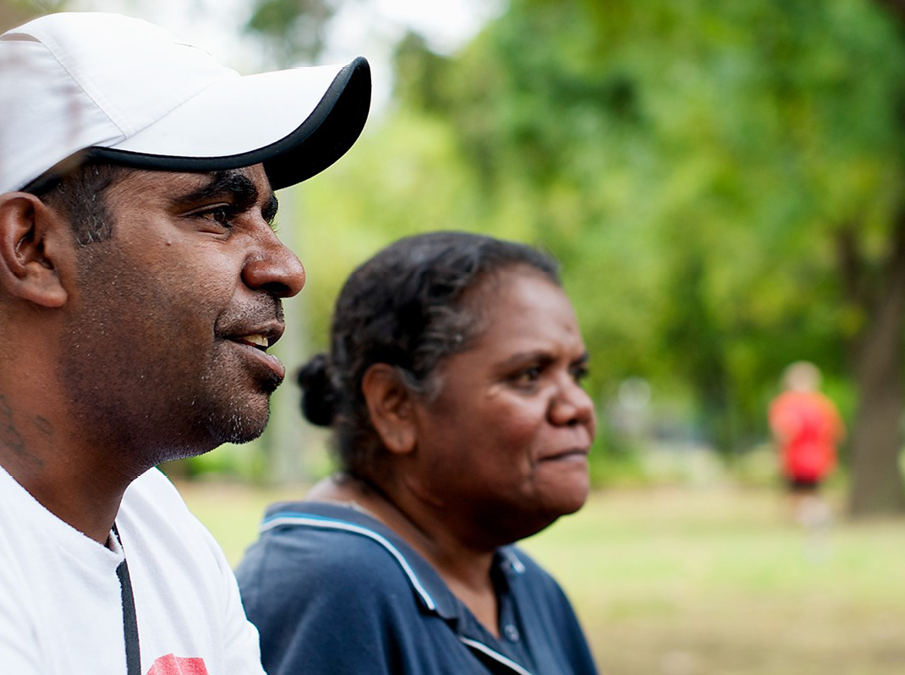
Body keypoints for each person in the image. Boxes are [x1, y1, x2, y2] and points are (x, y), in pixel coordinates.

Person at [0, 12, 370, 675]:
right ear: (33, 248)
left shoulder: (159, 527)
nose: (286, 268)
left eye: (266, 216)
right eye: (217, 214)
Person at [236, 232, 600, 675]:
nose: (578, 406)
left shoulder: (525, 586)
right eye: (529, 374)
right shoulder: (331, 585)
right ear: (396, 406)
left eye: (576, 373)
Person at [768, 361, 843, 529]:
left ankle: (813, 524)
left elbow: (782, 432)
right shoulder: (823, 404)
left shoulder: (786, 404)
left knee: (796, 499)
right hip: (815, 460)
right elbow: (836, 433)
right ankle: (815, 522)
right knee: (810, 497)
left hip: (800, 460)